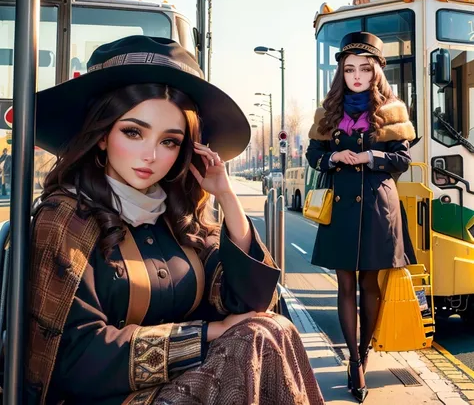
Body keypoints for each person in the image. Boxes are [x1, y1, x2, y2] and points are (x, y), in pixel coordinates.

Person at [27, 35, 324, 405]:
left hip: (191, 385)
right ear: (102, 136)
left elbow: (251, 302)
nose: (150, 155)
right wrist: (208, 334)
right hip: (107, 397)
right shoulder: (65, 216)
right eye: (133, 132)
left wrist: (228, 199)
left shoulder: (174, 214)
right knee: (258, 338)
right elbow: (73, 356)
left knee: (270, 329)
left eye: (169, 141)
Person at [306, 32, 415, 403]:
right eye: (349, 68)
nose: (356, 75)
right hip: (340, 208)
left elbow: (402, 160)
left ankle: (363, 354)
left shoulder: (393, 111)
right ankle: (353, 361)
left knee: (370, 285)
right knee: (344, 285)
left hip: (377, 207)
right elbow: (313, 155)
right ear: (341, 72)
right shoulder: (328, 111)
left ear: (376, 72)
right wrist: (333, 159)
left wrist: (371, 158)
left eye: (364, 69)